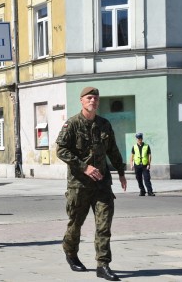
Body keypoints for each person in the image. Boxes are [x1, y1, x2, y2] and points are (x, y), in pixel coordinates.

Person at [56, 87, 127, 281]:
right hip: (79, 185)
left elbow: (113, 149)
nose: (93, 101)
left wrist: (121, 172)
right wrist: (84, 167)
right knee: (75, 224)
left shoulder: (104, 124)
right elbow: (61, 150)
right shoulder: (71, 124)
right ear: (81, 101)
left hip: (102, 184)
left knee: (104, 225)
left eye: (95, 98)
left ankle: (103, 265)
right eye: (89, 98)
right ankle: (70, 251)